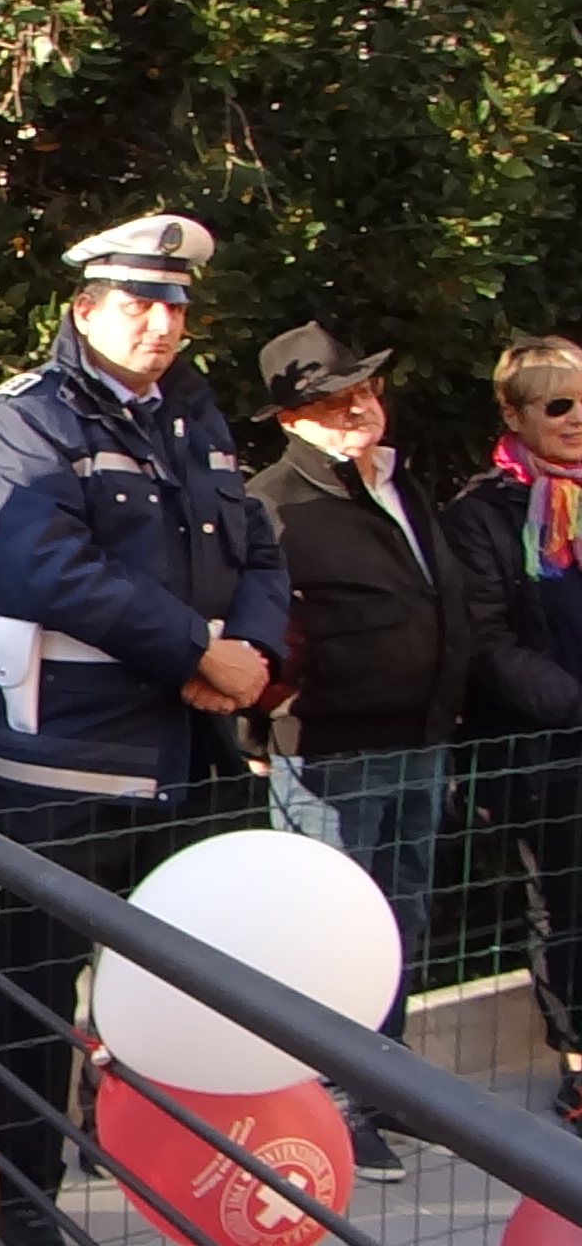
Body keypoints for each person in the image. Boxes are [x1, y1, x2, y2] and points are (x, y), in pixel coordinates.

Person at [0, 214, 289, 1244]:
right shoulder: (27, 419)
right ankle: (23, 1203)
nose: (159, 321)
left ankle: (189, 1175)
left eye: (174, 305)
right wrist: (199, 650)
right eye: (138, 302)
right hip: (68, 762)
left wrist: (253, 661)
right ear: (85, 310)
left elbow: (262, 550)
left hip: (191, 752)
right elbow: (36, 566)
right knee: (37, 1000)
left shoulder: (200, 417)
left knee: (195, 987)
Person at [246, 321, 467, 1181]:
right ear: (294, 419)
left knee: (404, 914)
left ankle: (385, 1086)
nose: (358, 412)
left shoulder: (398, 479)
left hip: (421, 733)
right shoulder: (273, 500)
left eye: (364, 394)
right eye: (335, 403)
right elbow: (257, 625)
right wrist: (263, 728)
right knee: (332, 932)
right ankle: (334, 1103)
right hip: (330, 745)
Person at [442, 334, 582, 1135]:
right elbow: (486, 642)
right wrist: (570, 702)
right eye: (557, 404)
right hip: (546, 746)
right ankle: (576, 1064)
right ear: (514, 413)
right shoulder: (483, 513)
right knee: (568, 908)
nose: (575, 420)